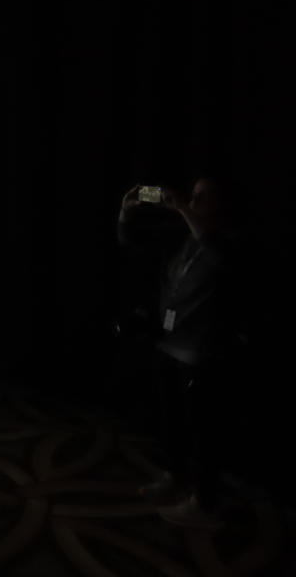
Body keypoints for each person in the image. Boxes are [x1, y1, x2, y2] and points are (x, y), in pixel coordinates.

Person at [117, 177, 239, 530]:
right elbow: (132, 245)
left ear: (221, 204)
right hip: (167, 344)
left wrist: (183, 208)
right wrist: (125, 214)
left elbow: (217, 254)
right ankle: (176, 477)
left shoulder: (230, 241)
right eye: (192, 195)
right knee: (170, 422)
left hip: (201, 353)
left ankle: (204, 502)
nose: (192, 200)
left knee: (202, 431)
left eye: (202, 197)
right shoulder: (183, 239)